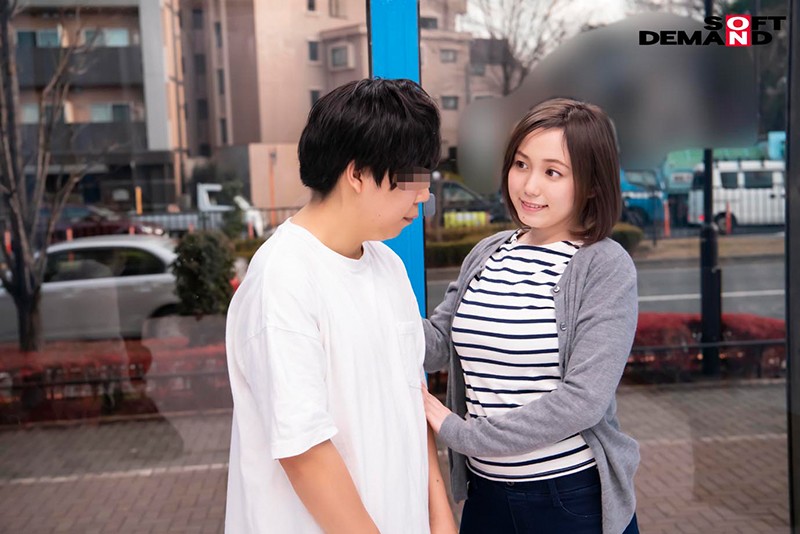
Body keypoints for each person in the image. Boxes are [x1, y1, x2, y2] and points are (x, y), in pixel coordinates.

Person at [224, 78, 456, 534]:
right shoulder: (283, 279)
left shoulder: (387, 265)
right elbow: (304, 452)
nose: (423, 196)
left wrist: (440, 518)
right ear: (357, 174)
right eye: (413, 178)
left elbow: (412, 402)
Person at [421, 98, 640, 534]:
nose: (529, 186)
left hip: (568, 500)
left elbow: (583, 401)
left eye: (552, 172)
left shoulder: (603, 265)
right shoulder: (488, 253)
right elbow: (437, 344)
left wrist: (460, 433)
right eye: (521, 164)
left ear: (591, 185)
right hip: (486, 497)